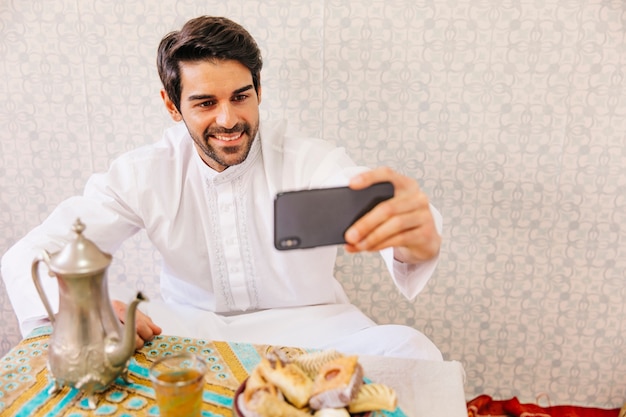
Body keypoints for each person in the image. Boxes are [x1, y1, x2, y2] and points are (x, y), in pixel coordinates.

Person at [1, 16, 443, 361]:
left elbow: (374, 205)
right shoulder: (143, 173)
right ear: (172, 106)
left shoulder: (311, 161)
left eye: (240, 96)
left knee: (412, 349)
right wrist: (80, 311)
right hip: (184, 334)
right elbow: (32, 253)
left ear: (259, 92)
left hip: (315, 332)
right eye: (206, 103)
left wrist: (412, 236)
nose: (229, 119)